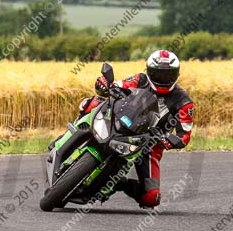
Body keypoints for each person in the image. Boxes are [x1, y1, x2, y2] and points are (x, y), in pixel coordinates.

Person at [79, 50, 194, 208]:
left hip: (149, 143)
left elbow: (185, 135)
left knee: (151, 198)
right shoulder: (141, 79)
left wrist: (169, 140)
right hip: (122, 118)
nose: (163, 79)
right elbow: (119, 85)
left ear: (176, 75)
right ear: (149, 71)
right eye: (158, 74)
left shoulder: (184, 102)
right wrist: (105, 84)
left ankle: (119, 182)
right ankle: (74, 133)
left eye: (168, 75)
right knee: (93, 102)